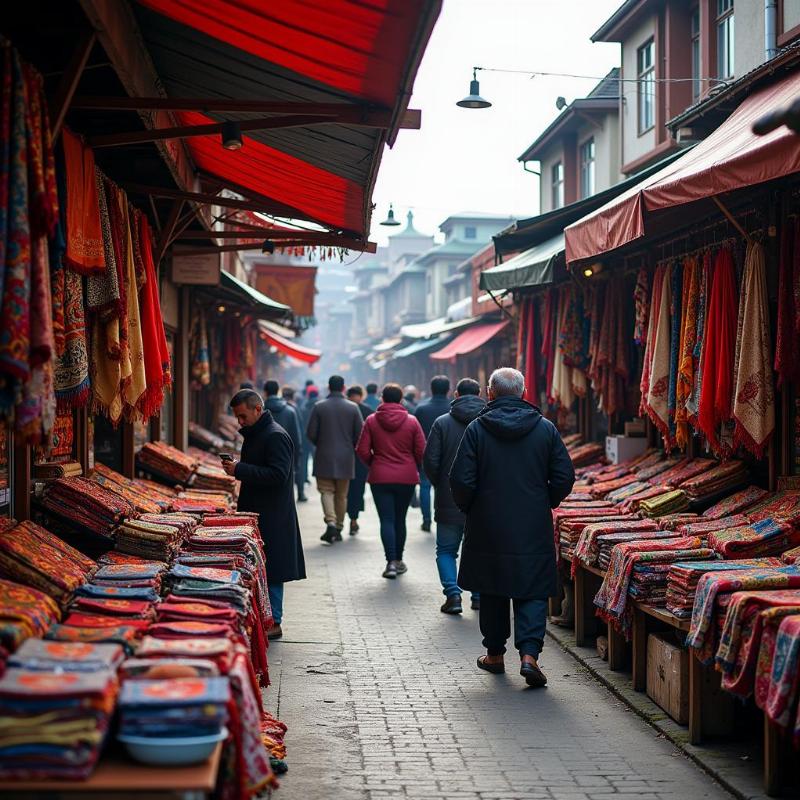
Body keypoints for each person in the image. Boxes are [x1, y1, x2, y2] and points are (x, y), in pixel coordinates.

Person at [450, 368, 574, 687]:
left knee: (492, 588)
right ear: (523, 391)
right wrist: (543, 500)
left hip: (488, 523)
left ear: (490, 392)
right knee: (531, 588)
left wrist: (472, 507)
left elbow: (461, 479)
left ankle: (494, 654)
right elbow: (563, 477)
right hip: (532, 523)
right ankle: (529, 656)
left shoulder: (477, 429)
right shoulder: (544, 429)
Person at [223, 389, 306, 640]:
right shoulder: (260, 433)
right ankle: (267, 619)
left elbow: (278, 475)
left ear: (257, 409)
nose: (240, 422)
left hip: (273, 514)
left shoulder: (275, 436)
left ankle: (274, 621)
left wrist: (240, 469)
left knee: (273, 569)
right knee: (264, 567)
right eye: (237, 417)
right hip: (261, 510)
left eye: (242, 416)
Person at [423, 377, 485, 614]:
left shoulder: (442, 423)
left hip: (448, 497)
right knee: (478, 548)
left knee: (447, 550)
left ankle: (453, 595)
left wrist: (439, 483)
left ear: (456, 394)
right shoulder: (487, 421)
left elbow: (431, 461)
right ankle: (478, 595)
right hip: (481, 499)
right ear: (480, 393)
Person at [356, 383, 425, 579]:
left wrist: (375, 463)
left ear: (382, 398)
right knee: (400, 519)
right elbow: (421, 450)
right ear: (401, 399)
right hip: (406, 477)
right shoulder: (412, 421)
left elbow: (361, 449)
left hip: (380, 477)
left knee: (386, 519)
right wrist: (414, 468)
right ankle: (399, 560)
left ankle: (390, 562)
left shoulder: (371, 420)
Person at [306, 375, 364, 544]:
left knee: (326, 491)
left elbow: (311, 433)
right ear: (343, 387)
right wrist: (349, 446)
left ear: (328, 388)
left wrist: (322, 443)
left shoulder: (319, 407)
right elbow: (360, 434)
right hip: (346, 457)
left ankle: (330, 521)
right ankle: (338, 527)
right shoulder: (353, 408)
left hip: (324, 455)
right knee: (341, 495)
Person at [413, 375, 451, 532]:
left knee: (425, 487)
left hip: (426, 454)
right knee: (448, 487)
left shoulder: (421, 408)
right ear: (449, 390)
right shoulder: (452, 407)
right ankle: (447, 518)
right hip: (450, 453)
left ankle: (426, 519)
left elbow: (415, 435)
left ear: (431, 389)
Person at [263, 380, 304, 501]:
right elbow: (297, 439)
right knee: (284, 496)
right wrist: (296, 461)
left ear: (265, 392)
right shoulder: (290, 411)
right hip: (286, 458)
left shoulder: (259, 411)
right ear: (278, 391)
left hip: (263, 458)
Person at [346, 385, 373, 535]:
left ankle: (341, 520)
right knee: (357, 489)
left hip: (345, 456)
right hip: (360, 457)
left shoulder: (343, 410)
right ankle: (353, 519)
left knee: (344, 490)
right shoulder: (368, 410)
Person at [297, 386, 319, 500]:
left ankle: (304, 479)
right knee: (318, 459)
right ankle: (320, 480)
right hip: (317, 440)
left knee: (304, 461)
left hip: (305, 439)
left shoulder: (303, 408)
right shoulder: (320, 407)